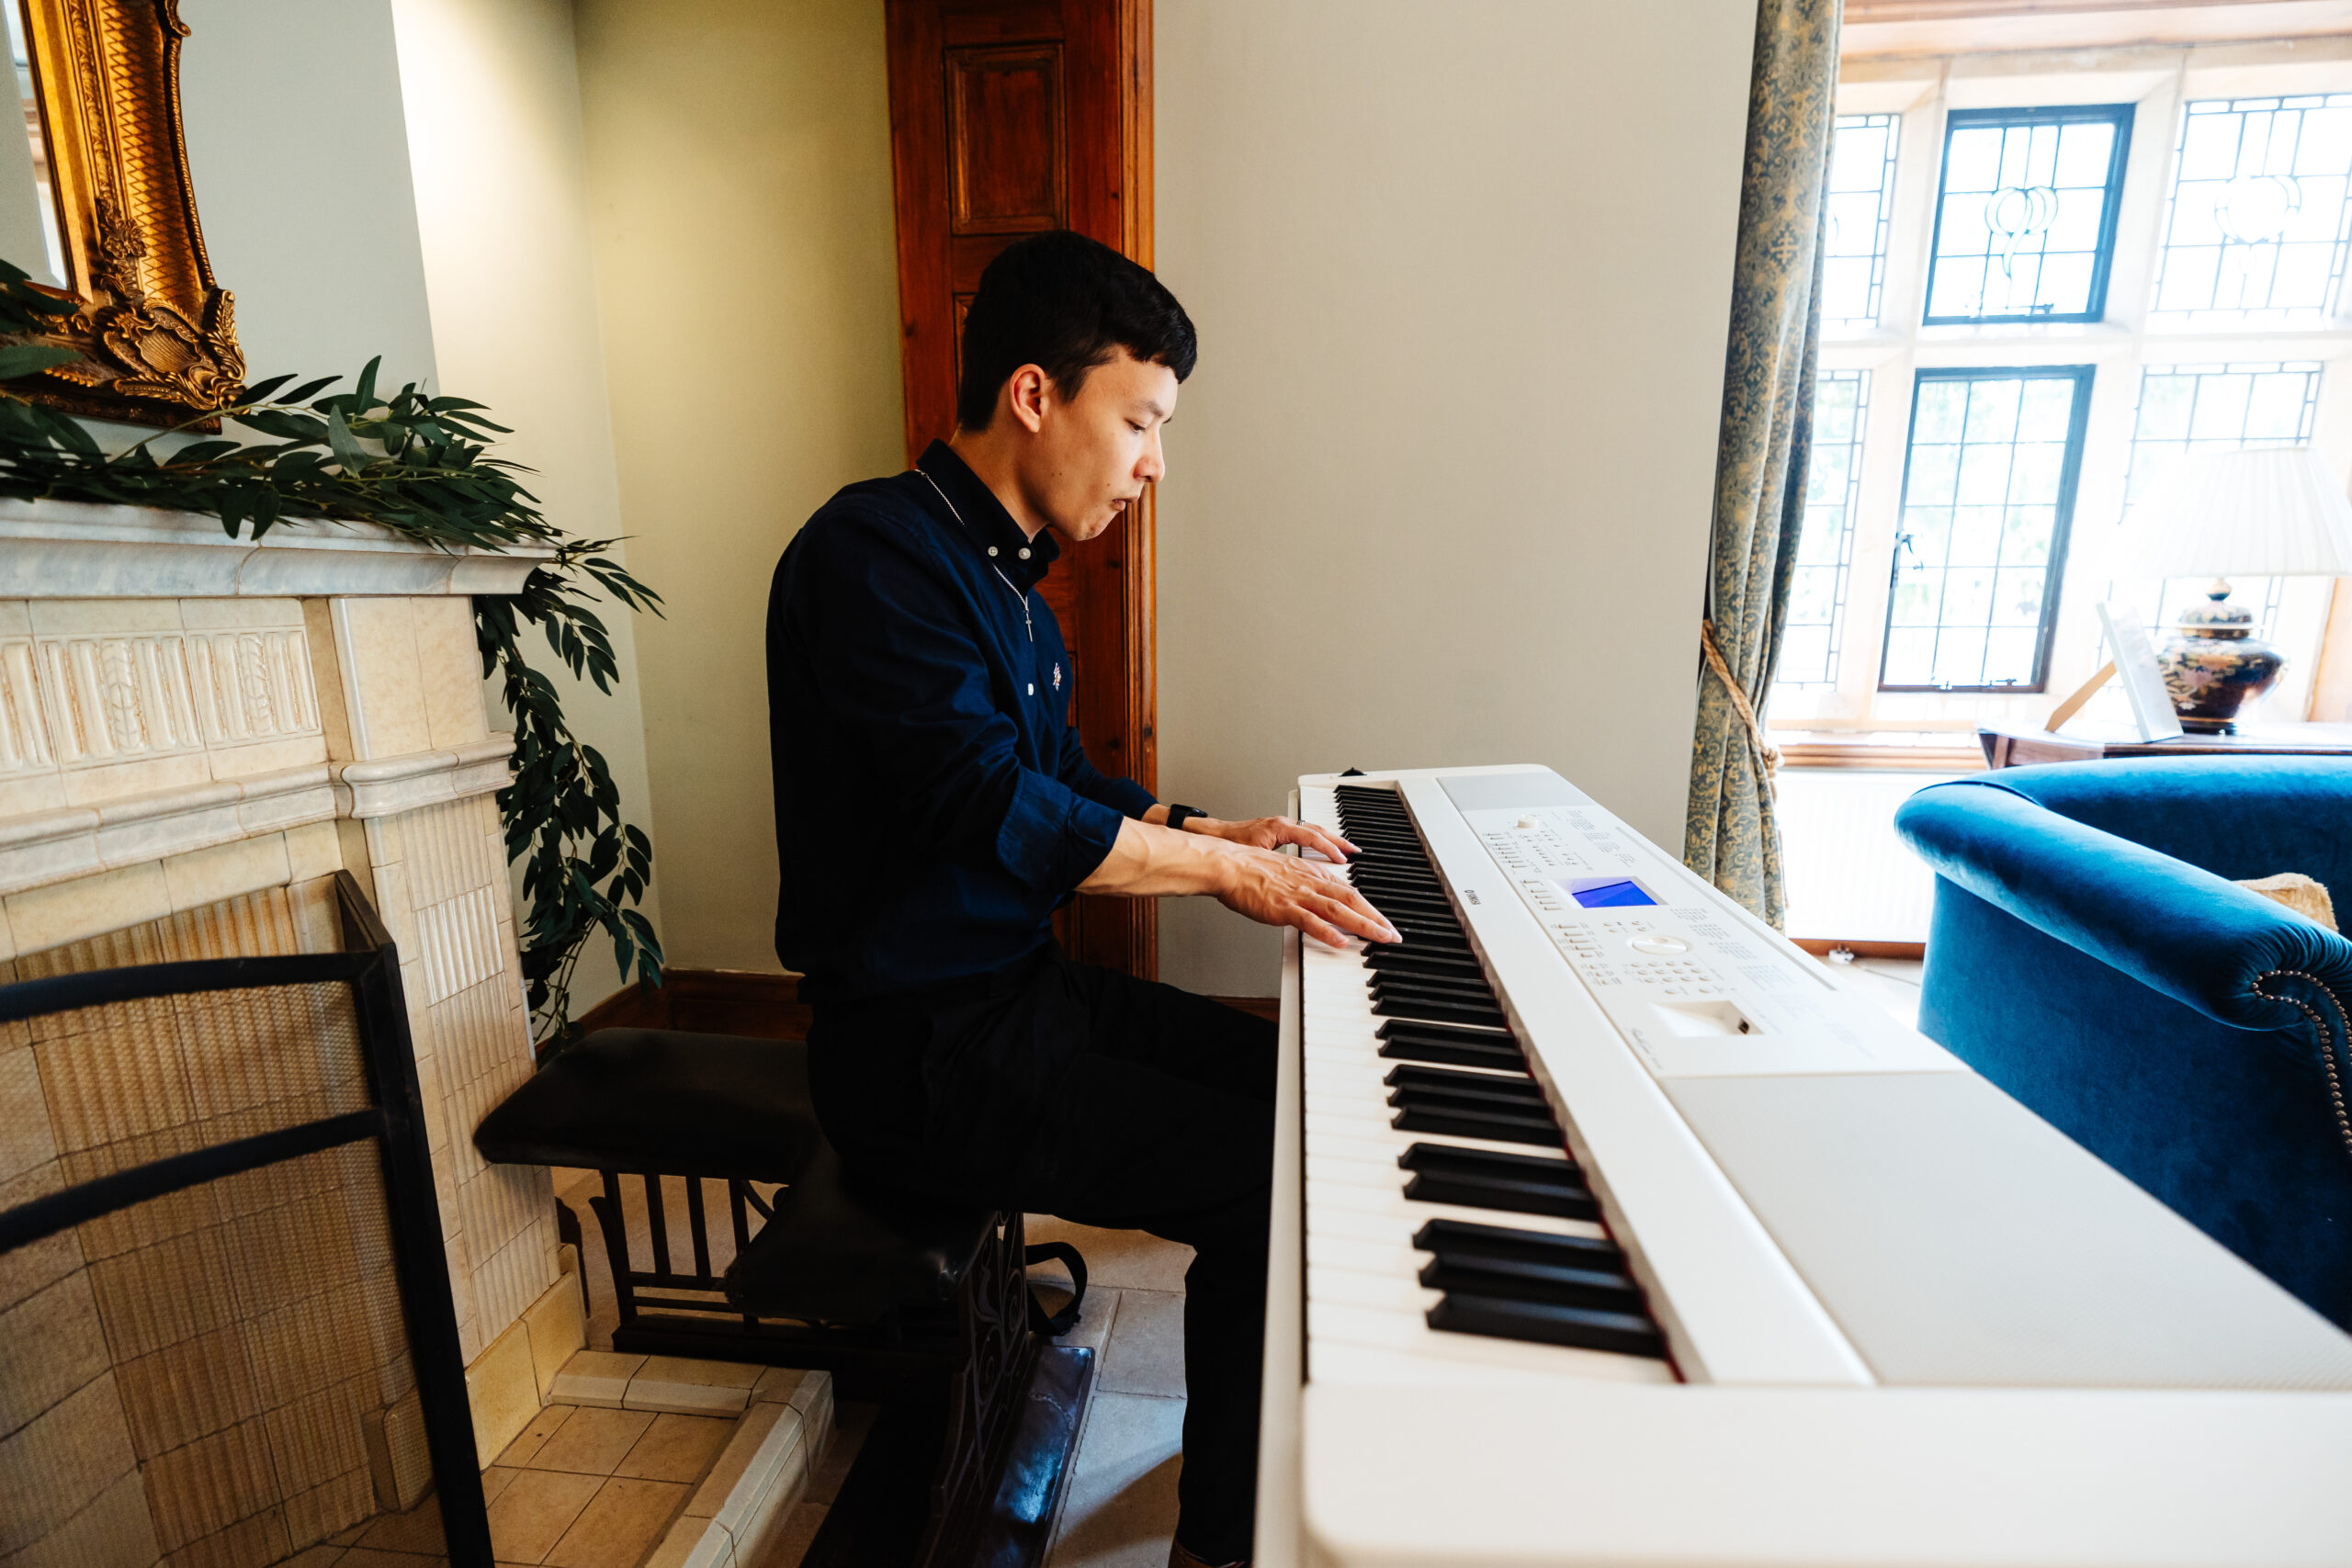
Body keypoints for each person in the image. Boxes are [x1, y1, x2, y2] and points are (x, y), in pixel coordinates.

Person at [764, 230, 1396, 1568]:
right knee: (1259, 1185)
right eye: (1142, 420)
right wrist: (1232, 873)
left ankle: (1262, 1461)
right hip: (917, 1053)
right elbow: (989, 810)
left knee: (1307, 1093)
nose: (1154, 461)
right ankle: (1221, 1544)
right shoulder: (873, 556)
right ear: (1035, 394)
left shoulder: (1013, 592)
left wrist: (1208, 828)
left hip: (1010, 1000)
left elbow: (1061, 781)